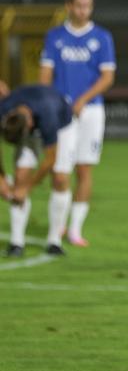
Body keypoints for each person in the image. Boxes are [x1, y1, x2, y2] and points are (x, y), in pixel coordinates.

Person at [39, 0, 115, 248]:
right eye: (79, 5)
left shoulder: (102, 37)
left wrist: (83, 99)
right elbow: (45, 75)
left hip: (91, 112)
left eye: (88, 6)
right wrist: (47, 103)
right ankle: (57, 223)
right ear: (68, 6)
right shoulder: (55, 36)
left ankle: (74, 229)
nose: (84, 11)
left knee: (84, 169)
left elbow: (107, 77)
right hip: (61, 113)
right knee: (60, 172)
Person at [0, 85, 74, 257]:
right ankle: (16, 242)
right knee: (20, 177)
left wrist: (29, 187)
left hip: (64, 126)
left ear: (30, 124)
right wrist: (2, 178)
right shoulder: (4, 109)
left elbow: (50, 160)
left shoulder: (48, 117)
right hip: (28, 123)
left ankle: (54, 241)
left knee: (60, 178)